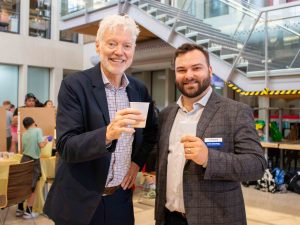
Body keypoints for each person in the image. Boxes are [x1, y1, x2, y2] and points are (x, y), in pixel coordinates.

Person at [44, 14, 157, 225]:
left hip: (120, 200)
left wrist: (136, 163)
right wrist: (107, 134)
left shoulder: (138, 89)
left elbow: (150, 132)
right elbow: (66, 146)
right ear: (98, 46)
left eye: (127, 45)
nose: (119, 52)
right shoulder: (74, 86)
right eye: (112, 43)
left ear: (133, 50)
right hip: (80, 202)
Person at [155, 43, 267, 225]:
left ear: (209, 70)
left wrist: (208, 158)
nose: (189, 75)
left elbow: (257, 165)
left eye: (196, 68)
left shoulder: (235, 112)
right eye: (181, 69)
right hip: (169, 218)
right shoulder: (166, 115)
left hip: (217, 219)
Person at [16, 117, 48, 219]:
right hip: (34, 161)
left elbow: (24, 148)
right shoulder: (38, 130)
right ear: (34, 123)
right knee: (32, 187)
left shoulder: (24, 134)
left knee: (23, 184)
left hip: (24, 160)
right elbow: (41, 145)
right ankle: (28, 212)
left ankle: (19, 209)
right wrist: (46, 141)